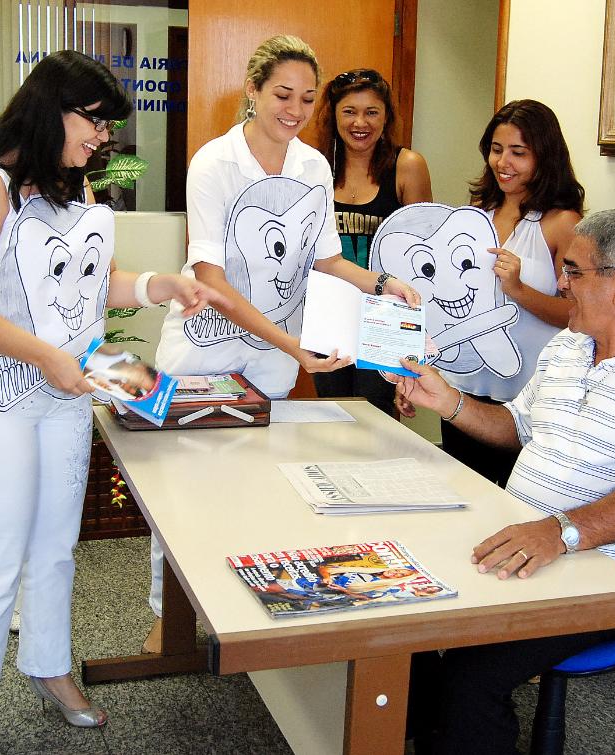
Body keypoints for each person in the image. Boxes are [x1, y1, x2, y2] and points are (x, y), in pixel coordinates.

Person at [0, 50, 223, 755]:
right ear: (49, 108)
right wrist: (45, 356)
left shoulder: (73, 185)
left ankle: (49, 666)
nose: (101, 139)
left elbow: (93, 282)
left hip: (64, 389)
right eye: (93, 123)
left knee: (56, 547)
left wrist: (158, 285)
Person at [395, 209, 615, 755]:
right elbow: (518, 428)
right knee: (398, 612)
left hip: (608, 570)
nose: (559, 283)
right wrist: (449, 402)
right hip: (524, 537)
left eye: (572, 270)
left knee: (471, 675)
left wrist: (560, 533)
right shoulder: (569, 346)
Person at [143, 35, 421, 652]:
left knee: (246, 479)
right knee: (180, 482)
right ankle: (168, 617)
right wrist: (294, 348)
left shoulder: (312, 167)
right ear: (253, 89)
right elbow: (210, 280)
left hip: (273, 350)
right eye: (281, 94)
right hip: (206, 344)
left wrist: (383, 283)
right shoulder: (214, 164)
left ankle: (230, 609)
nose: (293, 109)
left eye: (305, 97)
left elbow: (324, 258)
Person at [396, 99, 584, 487]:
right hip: (465, 384)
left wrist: (518, 288)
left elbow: (576, 314)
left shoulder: (563, 223)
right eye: (497, 150)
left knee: (513, 499)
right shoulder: (478, 210)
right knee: (464, 489)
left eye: (519, 153)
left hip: (524, 394)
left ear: (544, 157)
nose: (504, 163)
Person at [312, 68, 433, 415]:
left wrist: (414, 351)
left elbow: (423, 257)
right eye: (349, 111)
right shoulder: (316, 167)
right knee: (331, 415)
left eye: (371, 112)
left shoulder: (407, 166)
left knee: (375, 417)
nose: (359, 122)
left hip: (386, 319)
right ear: (333, 115)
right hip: (329, 313)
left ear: (386, 117)